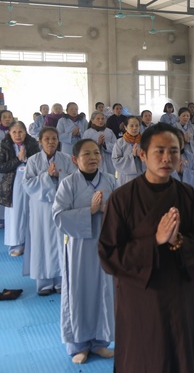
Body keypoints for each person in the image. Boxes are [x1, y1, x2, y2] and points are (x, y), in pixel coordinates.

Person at [99, 122, 194, 373]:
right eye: (160, 151)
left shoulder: (188, 195)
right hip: (139, 295)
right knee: (142, 355)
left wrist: (179, 242)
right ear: (143, 155)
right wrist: (154, 241)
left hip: (178, 291)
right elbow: (109, 254)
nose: (167, 158)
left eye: (174, 151)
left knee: (180, 354)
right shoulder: (122, 198)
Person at [52, 139, 116, 364]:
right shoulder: (68, 184)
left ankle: (100, 342)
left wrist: (107, 209)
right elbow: (58, 216)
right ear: (74, 159)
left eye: (96, 153)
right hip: (79, 248)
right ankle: (79, 345)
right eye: (87, 154)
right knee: (79, 292)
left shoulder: (110, 180)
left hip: (105, 244)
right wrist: (89, 210)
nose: (93, 158)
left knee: (104, 291)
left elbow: (123, 211)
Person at [23, 127, 75, 295]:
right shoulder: (33, 160)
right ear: (40, 141)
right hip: (41, 208)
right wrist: (46, 176)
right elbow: (27, 184)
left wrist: (58, 176)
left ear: (58, 140)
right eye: (47, 139)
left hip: (61, 205)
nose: (51, 142)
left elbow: (74, 179)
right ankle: (44, 283)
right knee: (42, 241)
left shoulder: (66, 158)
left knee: (61, 241)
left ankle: (61, 281)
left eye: (54, 138)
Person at [0, 121, 40, 256]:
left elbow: (39, 163)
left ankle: (31, 244)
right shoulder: (4, 145)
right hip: (12, 186)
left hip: (31, 184)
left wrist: (26, 159)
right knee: (15, 216)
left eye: (20, 132)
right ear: (9, 133)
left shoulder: (32, 144)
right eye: (14, 132)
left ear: (25, 132)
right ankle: (16, 246)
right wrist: (17, 159)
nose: (17, 135)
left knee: (31, 213)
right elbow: (1, 167)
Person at [112, 116, 145, 186]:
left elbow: (152, 159)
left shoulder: (145, 141)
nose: (135, 128)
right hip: (126, 178)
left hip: (142, 175)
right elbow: (116, 161)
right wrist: (132, 156)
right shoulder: (120, 142)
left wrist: (142, 155)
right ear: (125, 127)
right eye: (131, 126)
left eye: (137, 125)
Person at [83, 111, 117, 176]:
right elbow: (84, 148)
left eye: (102, 119)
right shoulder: (87, 133)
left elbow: (116, 146)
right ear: (92, 121)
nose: (101, 121)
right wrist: (97, 144)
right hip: (94, 160)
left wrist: (105, 145)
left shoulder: (109, 131)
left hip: (108, 161)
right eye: (98, 119)